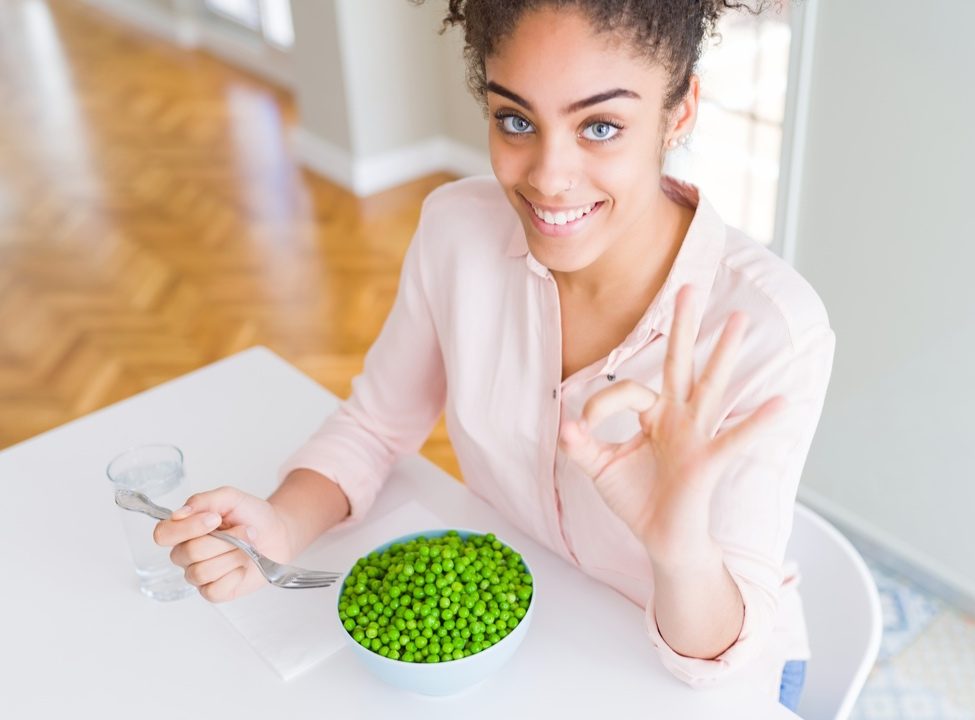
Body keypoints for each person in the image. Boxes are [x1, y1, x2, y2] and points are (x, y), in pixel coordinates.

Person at [153, 0, 834, 712]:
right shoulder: (455, 232)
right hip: (528, 640)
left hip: (700, 673)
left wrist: (679, 548)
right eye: (516, 120)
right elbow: (375, 426)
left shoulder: (770, 331)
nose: (549, 178)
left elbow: (721, 662)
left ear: (681, 110)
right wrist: (283, 524)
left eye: (600, 127)